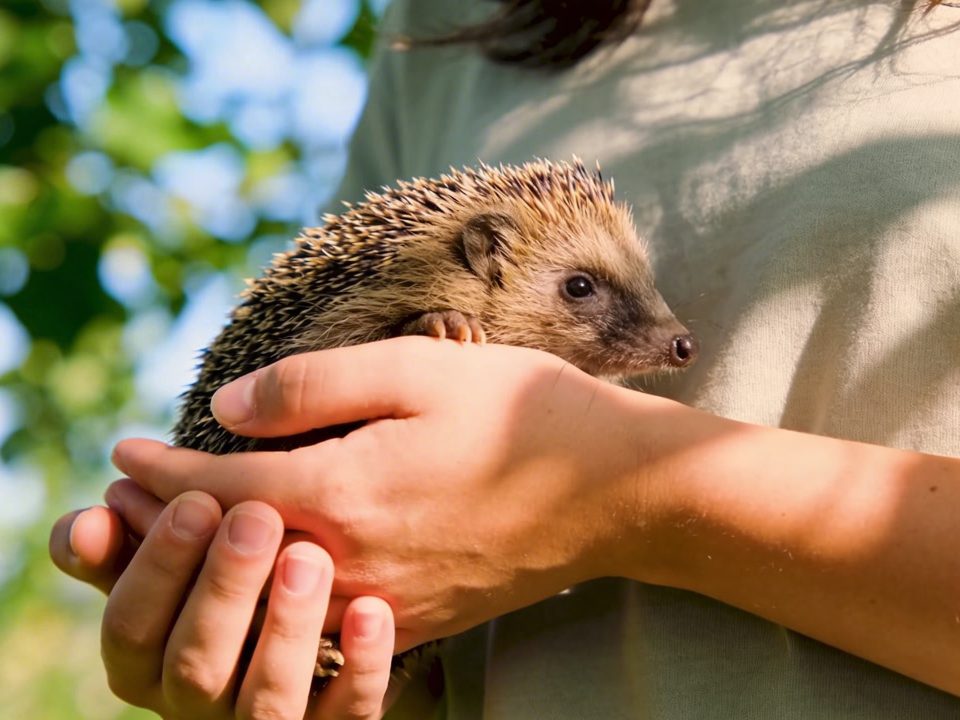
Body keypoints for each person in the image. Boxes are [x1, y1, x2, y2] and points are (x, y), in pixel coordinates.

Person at [50, 0, 960, 717]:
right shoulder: (454, 20)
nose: (673, 340)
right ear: (483, 261)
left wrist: (625, 489)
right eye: (580, 290)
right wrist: (316, 677)